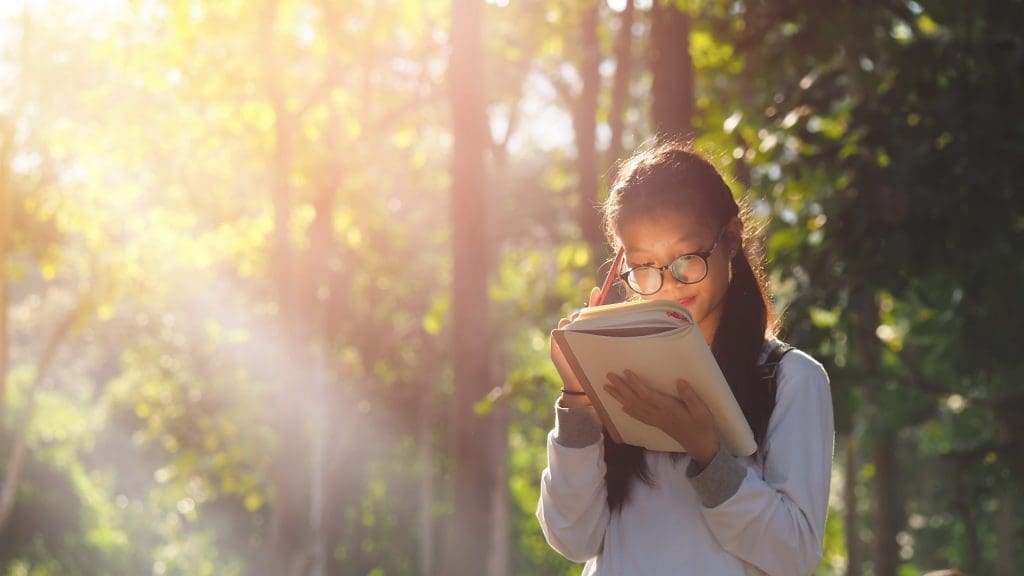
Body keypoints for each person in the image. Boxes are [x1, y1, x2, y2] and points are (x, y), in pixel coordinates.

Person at [537, 140, 835, 575]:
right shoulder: (611, 374)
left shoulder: (789, 379)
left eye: (686, 259)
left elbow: (793, 556)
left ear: (731, 239)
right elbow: (572, 537)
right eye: (644, 266)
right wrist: (578, 396)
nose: (669, 284)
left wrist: (708, 453)